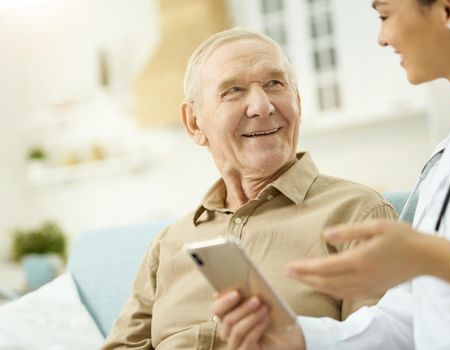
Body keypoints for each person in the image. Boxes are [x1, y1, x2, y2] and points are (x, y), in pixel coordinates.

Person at [212, 0, 450, 349]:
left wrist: (432, 257)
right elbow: (409, 316)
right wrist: (297, 337)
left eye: (385, 15)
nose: (382, 37)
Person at [102, 28, 396, 349]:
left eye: (275, 84)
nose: (262, 106)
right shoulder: (168, 243)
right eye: (234, 90)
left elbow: (384, 342)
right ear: (194, 124)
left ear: (297, 102)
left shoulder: (357, 214)